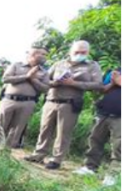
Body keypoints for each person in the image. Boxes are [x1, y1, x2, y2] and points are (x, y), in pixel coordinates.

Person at [24, 41, 103, 170]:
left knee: (63, 133)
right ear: (70, 52)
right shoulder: (59, 64)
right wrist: (54, 82)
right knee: (44, 129)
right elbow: (45, 79)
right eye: (77, 52)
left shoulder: (92, 66)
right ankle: (38, 154)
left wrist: (73, 83)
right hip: (51, 100)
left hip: (70, 104)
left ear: (88, 53)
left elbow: (98, 85)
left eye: (83, 52)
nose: (79, 54)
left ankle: (56, 159)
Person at [0, 48, 50, 152]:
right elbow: (5, 79)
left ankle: (5, 153)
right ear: (32, 54)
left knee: (16, 130)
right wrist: (26, 76)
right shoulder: (16, 65)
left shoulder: (44, 72)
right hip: (9, 101)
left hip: (28, 103)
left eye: (45, 55)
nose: (44, 56)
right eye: (41, 54)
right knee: (0, 126)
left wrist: (33, 80)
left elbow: (45, 89)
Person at [73, 68, 120, 180]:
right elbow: (102, 90)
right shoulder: (115, 71)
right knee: (95, 140)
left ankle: (114, 175)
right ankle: (90, 167)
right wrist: (113, 83)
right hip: (104, 112)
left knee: (118, 146)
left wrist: (119, 82)